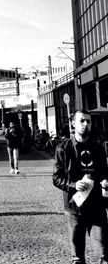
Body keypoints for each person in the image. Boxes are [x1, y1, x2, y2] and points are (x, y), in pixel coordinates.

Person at [53, 109, 108, 264]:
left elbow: (105, 172)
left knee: (105, 254)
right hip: (74, 209)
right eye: (82, 121)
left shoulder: (98, 148)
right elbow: (56, 178)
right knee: (77, 258)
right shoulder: (63, 148)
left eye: (88, 121)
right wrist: (74, 184)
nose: (85, 124)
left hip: (97, 207)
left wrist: (105, 181)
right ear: (73, 124)